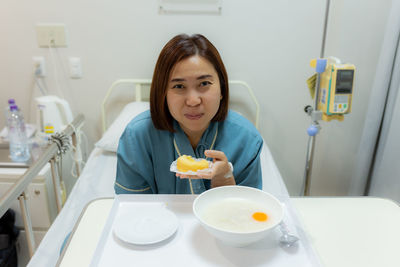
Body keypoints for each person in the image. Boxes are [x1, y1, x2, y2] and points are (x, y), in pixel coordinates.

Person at [115, 33, 263, 194]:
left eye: (204, 83)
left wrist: (225, 179)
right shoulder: (137, 137)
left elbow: (247, 212)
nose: (193, 101)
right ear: (163, 93)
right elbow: (131, 208)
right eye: (179, 86)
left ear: (222, 88)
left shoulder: (247, 140)